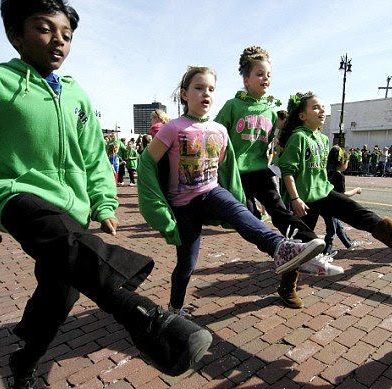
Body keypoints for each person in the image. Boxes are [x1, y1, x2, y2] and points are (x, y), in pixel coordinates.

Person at [0, 0, 212, 389]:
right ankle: (147, 318)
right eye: (43, 28)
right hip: (16, 195)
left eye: (67, 34)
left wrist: (104, 202)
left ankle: (24, 363)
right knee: (63, 242)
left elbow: (93, 156)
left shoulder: (76, 94)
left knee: (58, 299)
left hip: (71, 213)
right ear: (15, 35)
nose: (58, 40)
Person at [138, 66, 326, 315]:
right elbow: (147, 163)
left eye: (211, 89)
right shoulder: (172, 128)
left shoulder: (220, 130)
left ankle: (281, 248)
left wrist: (236, 196)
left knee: (239, 210)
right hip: (183, 205)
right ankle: (175, 308)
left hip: (211, 192)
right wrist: (159, 209)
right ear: (184, 94)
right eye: (199, 88)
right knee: (187, 264)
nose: (206, 93)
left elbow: (225, 169)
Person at [215, 46, 343, 308]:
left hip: (261, 170)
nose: (266, 79)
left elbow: (285, 139)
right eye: (260, 74)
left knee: (279, 211)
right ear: (246, 79)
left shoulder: (272, 111)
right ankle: (280, 250)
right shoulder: (232, 106)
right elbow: (216, 134)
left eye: (269, 75)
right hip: (236, 173)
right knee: (248, 219)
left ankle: (311, 249)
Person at [278, 92, 392, 270]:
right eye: (315, 107)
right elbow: (288, 171)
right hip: (304, 201)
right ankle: (287, 287)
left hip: (324, 193)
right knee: (301, 245)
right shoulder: (298, 137)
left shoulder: (323, 138)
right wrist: (295, 199)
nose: (321, 110)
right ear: (302, 116)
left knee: (363, 215)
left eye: (322, 107)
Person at [322, 145, 363, 254]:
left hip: (323, 203)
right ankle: (326, 252)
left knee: (338, 225)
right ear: (342, 162)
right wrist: (356, 190)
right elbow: (343, 194)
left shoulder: (325, 171)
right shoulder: (339, 176)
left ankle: (348, 243)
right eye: (347, 161)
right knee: (331, 230)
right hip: (331, 206)